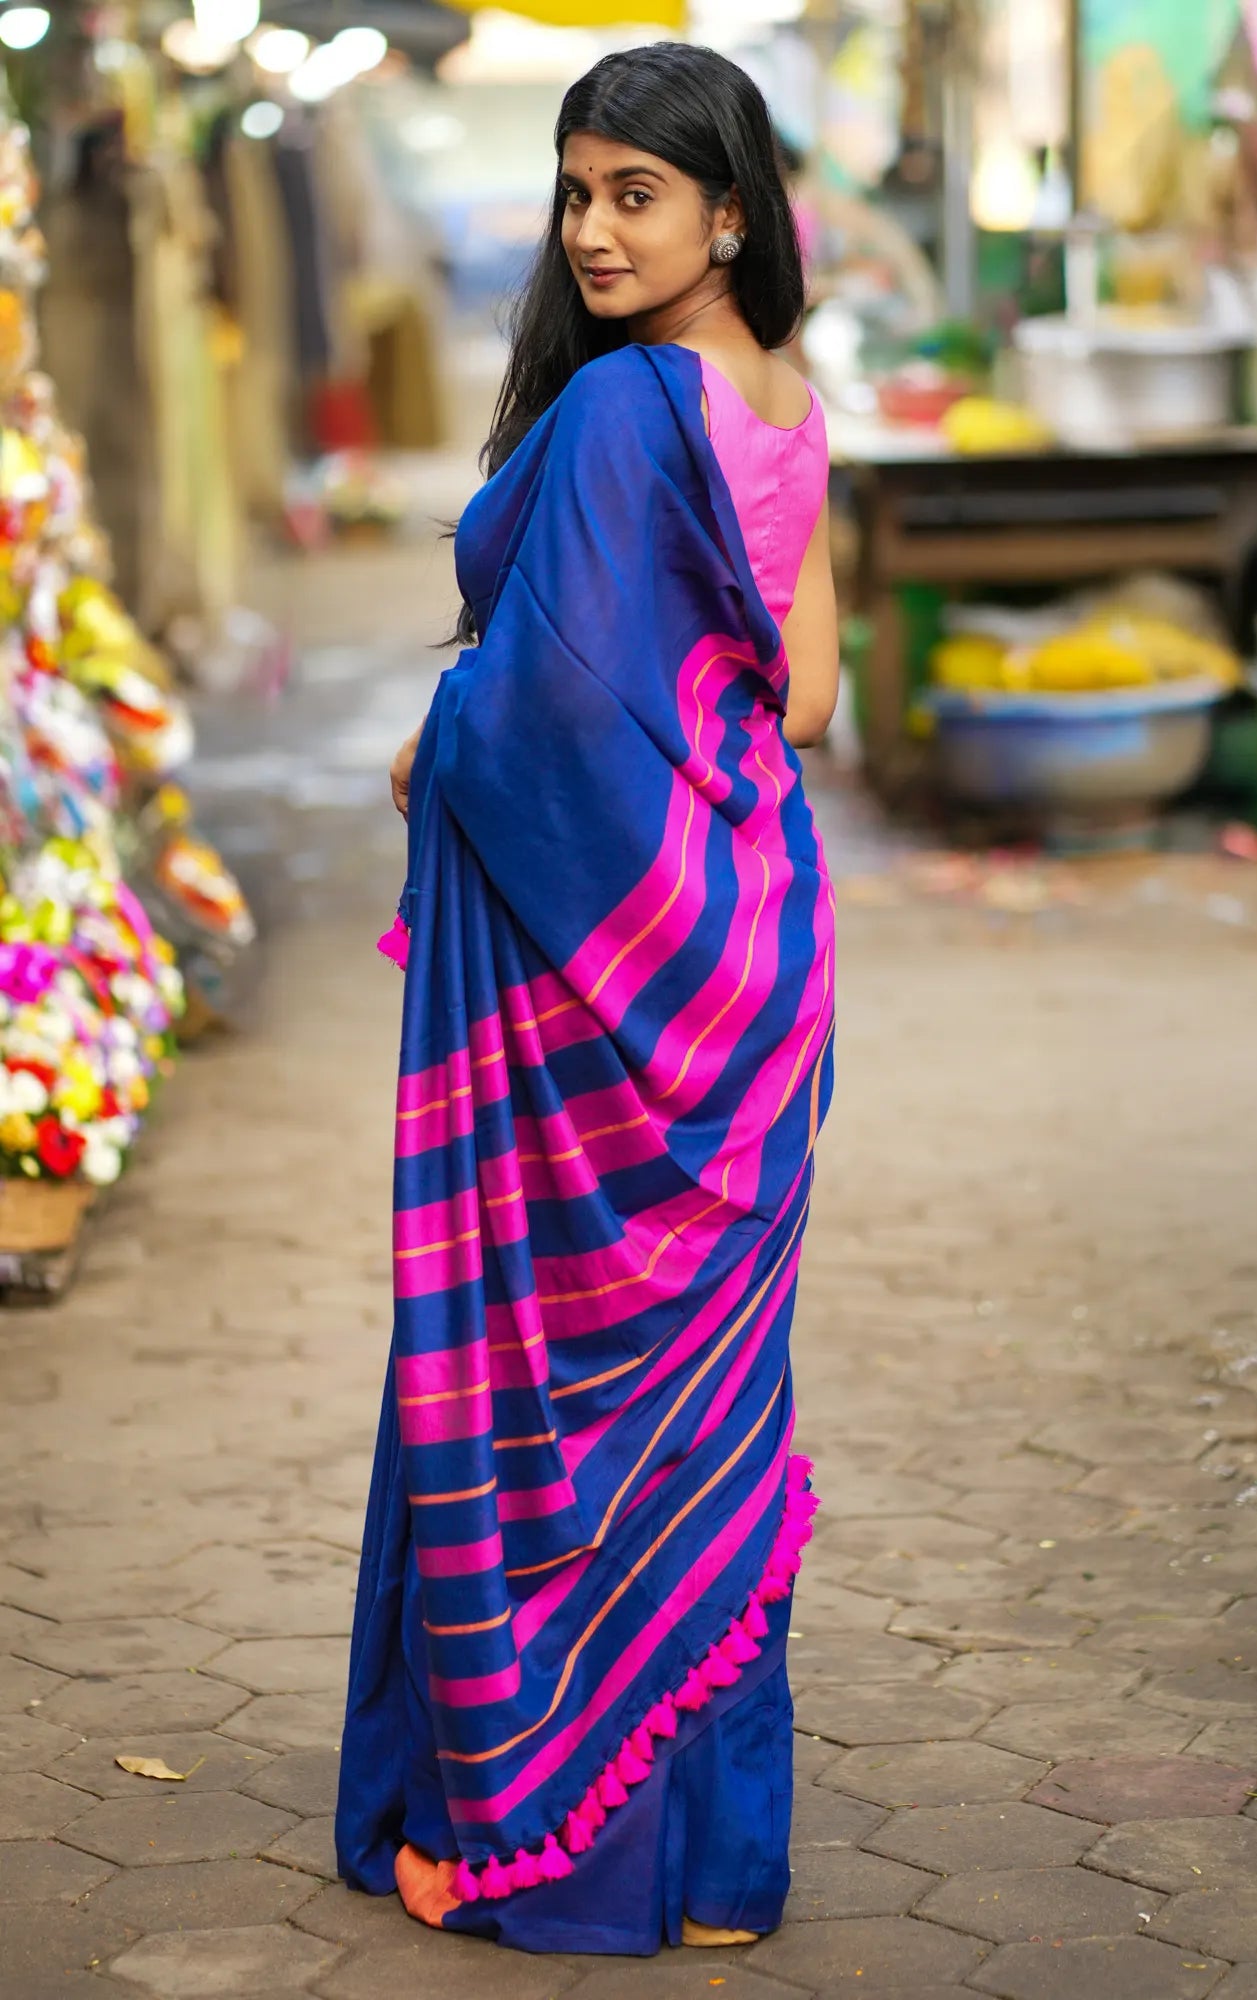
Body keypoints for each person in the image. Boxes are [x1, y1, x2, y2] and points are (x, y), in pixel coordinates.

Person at [335, 41, 838, 1958]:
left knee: (563, 1401)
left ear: (730, 209)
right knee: (705, 1416)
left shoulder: (630, 405)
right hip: (747, 957)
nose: (595, 228)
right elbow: (793, 704)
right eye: (576, 191)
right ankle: (717, 1875)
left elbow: (547, 709)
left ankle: (547, 1838)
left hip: (601, 986)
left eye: (637, 192)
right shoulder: (792, 404)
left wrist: (444, 729)